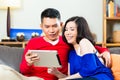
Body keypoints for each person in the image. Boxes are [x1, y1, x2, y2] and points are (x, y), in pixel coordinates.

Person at [0, 8, 111, 80]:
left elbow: (87, 47)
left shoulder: (67, 41)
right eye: (47, 27)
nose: (51, 30)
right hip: (32, 78)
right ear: (41, 26)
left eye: (55, 26)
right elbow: (23, 70)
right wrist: (28, 63)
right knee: (3, 72)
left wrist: (105, 51)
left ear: (61, 25)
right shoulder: (33, 43)